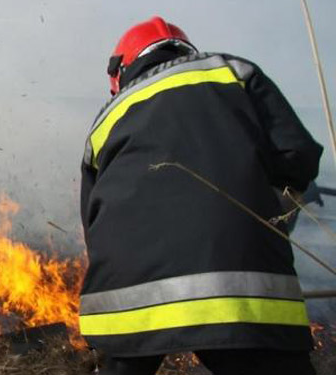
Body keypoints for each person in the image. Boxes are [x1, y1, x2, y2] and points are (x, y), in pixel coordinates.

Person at [78, 16, 323, 375]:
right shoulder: (234, 72)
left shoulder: (105, 120)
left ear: (122, 70)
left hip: (125, 305)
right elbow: (297, 156)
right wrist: (266, 211)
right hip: (238, 295)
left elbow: (92, 223)